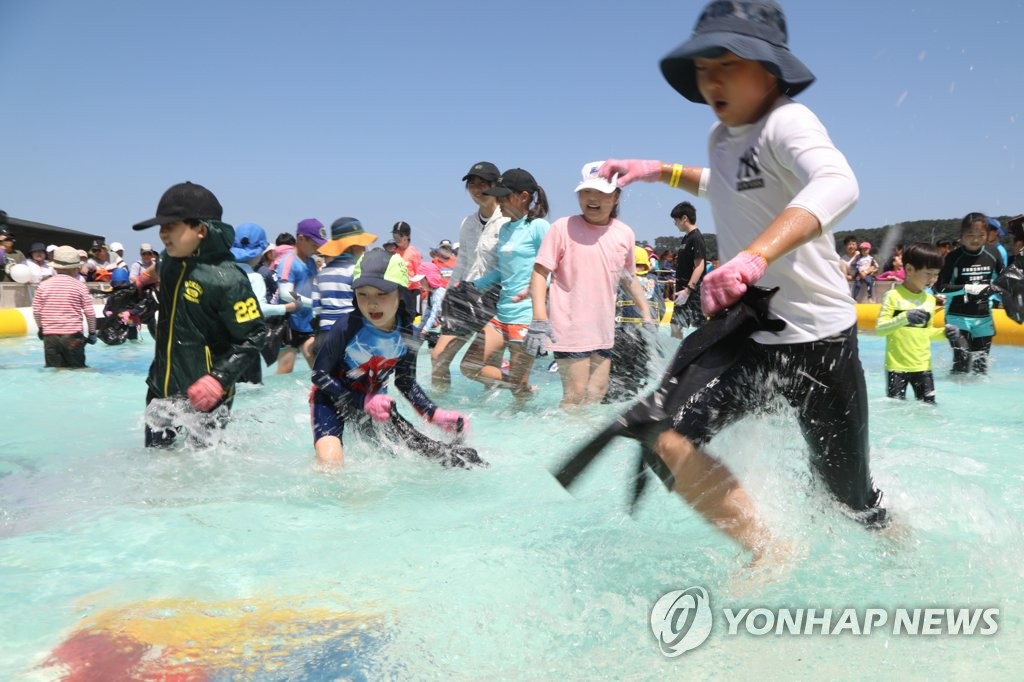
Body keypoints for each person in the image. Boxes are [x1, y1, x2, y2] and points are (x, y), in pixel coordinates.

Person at [598, 0, 887, 556]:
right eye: (702, 69)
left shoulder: (788, 121)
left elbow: (838, 183)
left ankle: (901, 549)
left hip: (819, 344)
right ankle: (769, 551)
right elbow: (723, 183)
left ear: (770, 69)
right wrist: (657, 171)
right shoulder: (721, 139)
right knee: (663, 434)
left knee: (850, 501)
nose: (710, 81)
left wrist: (752, 258)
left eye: (725, 64)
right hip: (754, 338)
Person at [131, 181, 267, 448]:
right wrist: (135, 289)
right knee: (157, 462)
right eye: (161, 227)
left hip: (207, 394)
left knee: (203, 473)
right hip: (161, 386)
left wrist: (219, 379)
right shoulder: (168, 261)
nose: (162, 234)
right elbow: (153, 272)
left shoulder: (228, 278)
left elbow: (255, 334)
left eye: (171, 225)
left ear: (201, 230)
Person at [310, 248, 470, 469]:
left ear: (401, 294)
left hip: (377, 406)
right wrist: (362, 401)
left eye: (381, 293)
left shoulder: (407, 335)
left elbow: (405, 381)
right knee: (330, 465)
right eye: (362, 294)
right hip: (331, 400)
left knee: (434, 454)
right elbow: (319, 375)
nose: (371, 303)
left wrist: (435, 414)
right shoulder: (346, 327)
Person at [525, 162, 656, 408]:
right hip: (569, 327)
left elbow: (629, 278)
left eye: (601, 193)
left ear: (616, 196)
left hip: (603, 329)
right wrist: (539, 318)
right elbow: (540, 272)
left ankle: (580, 440)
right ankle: (565, 441)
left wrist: (647, 314)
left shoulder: (624, 233)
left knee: (598, 392)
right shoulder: (562, 228)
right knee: (575, 394)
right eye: (586, 192)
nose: (592, 198)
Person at [466, 168, 551, 400]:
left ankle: (521, 399)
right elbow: (501, 270)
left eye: (504, 196)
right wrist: (474, 286)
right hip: (501, 313)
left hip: (525, 316)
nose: (498, 201)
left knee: (518, 390)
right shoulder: (505, 228)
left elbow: (554, 266)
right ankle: (520, 386)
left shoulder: (539, 227)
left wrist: (535, 291)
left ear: (523, 196)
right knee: (469, 366)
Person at [430, 161, 508, 391]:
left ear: (496, 185)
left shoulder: (506, 221)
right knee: (438, 358)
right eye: (472, 184)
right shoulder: (468, 222)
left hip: (496, 299)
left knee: (485, 365)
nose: (477, 188)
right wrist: (449, 295)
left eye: (483, 183)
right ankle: (438, 411)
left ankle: (501, 404)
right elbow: (462, 260)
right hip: (465, 297)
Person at [874, 243, 951, 403]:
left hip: (923, 367)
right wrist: (905, 317)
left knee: (929, 408)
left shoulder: (930, 300)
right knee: (896, 409)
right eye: (928, 274)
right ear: (909, 270)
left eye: (936, 274)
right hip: (896, 368)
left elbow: (926, 332)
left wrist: (945, 333)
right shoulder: (893, 296)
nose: (933, 279)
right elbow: (881, 329)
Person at [231, 223, 300, 377]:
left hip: (227, 341)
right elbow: (262, 306)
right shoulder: (259, 276)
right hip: (253, 337)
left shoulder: (226, 273)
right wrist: (289, 307)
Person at [937, 212, 1002, 375]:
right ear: (961, 236)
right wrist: (966, 288)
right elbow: (940, 287)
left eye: (981, 235)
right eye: (970, 235)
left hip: (983, 318)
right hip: (957, 316)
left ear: (987, 235)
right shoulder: (953, 257)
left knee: (981, 367)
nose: (975, 239)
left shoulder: (993, 253)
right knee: (962, 362)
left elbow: (1003, 281)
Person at [604, 245, 666, 403]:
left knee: (617, 377)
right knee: (640, 375)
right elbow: (662, 308)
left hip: (623, 335)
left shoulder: (622, 279)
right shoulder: (654, 281)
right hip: (646, 337)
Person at [312, 216, 378, 354]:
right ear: (354, 247)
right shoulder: (357, 271)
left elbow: (316, 310)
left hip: (324, 336)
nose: (364, 248)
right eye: (362, 245)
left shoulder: (320, 275)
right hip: (349, 332)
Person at [31, 245, 97, 368]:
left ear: (55, 266)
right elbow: (90, 312)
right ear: (76, 268)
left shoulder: (43, 286)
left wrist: (41, 328)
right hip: (73, 337)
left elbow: (36, 311)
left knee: (54, 370)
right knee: (78, 369)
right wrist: (92, 333)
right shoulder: (80, 286)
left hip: (50, 337)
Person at [276, 218, 327, 374]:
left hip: (307, 323)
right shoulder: (288, 262)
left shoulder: (311, 263)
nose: (317, 248)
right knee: (285, 370)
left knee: (317, 364)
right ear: (301, 238)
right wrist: (312, 303)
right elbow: (286, 292)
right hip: (288, 325)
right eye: (314, 244)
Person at [669, 201, 707, 339]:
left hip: (692, 293)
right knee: (675, 326)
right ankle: (678, 357)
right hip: (682, 290)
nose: (675, 223)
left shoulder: (696, 237)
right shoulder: (686, 238)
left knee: (699, 329)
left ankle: (702, 359)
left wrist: (688, 290)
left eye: (676, 220)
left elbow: (700, 265)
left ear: (684, 218)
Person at [391, 221, 423, 315]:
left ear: (408, 236)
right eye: (394, 235)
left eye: (399, 235)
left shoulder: (414, 253)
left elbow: (419, 274)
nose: (396, 239)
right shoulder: (393, 252)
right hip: (397, 292)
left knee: (414, 320)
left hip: (412, 292)